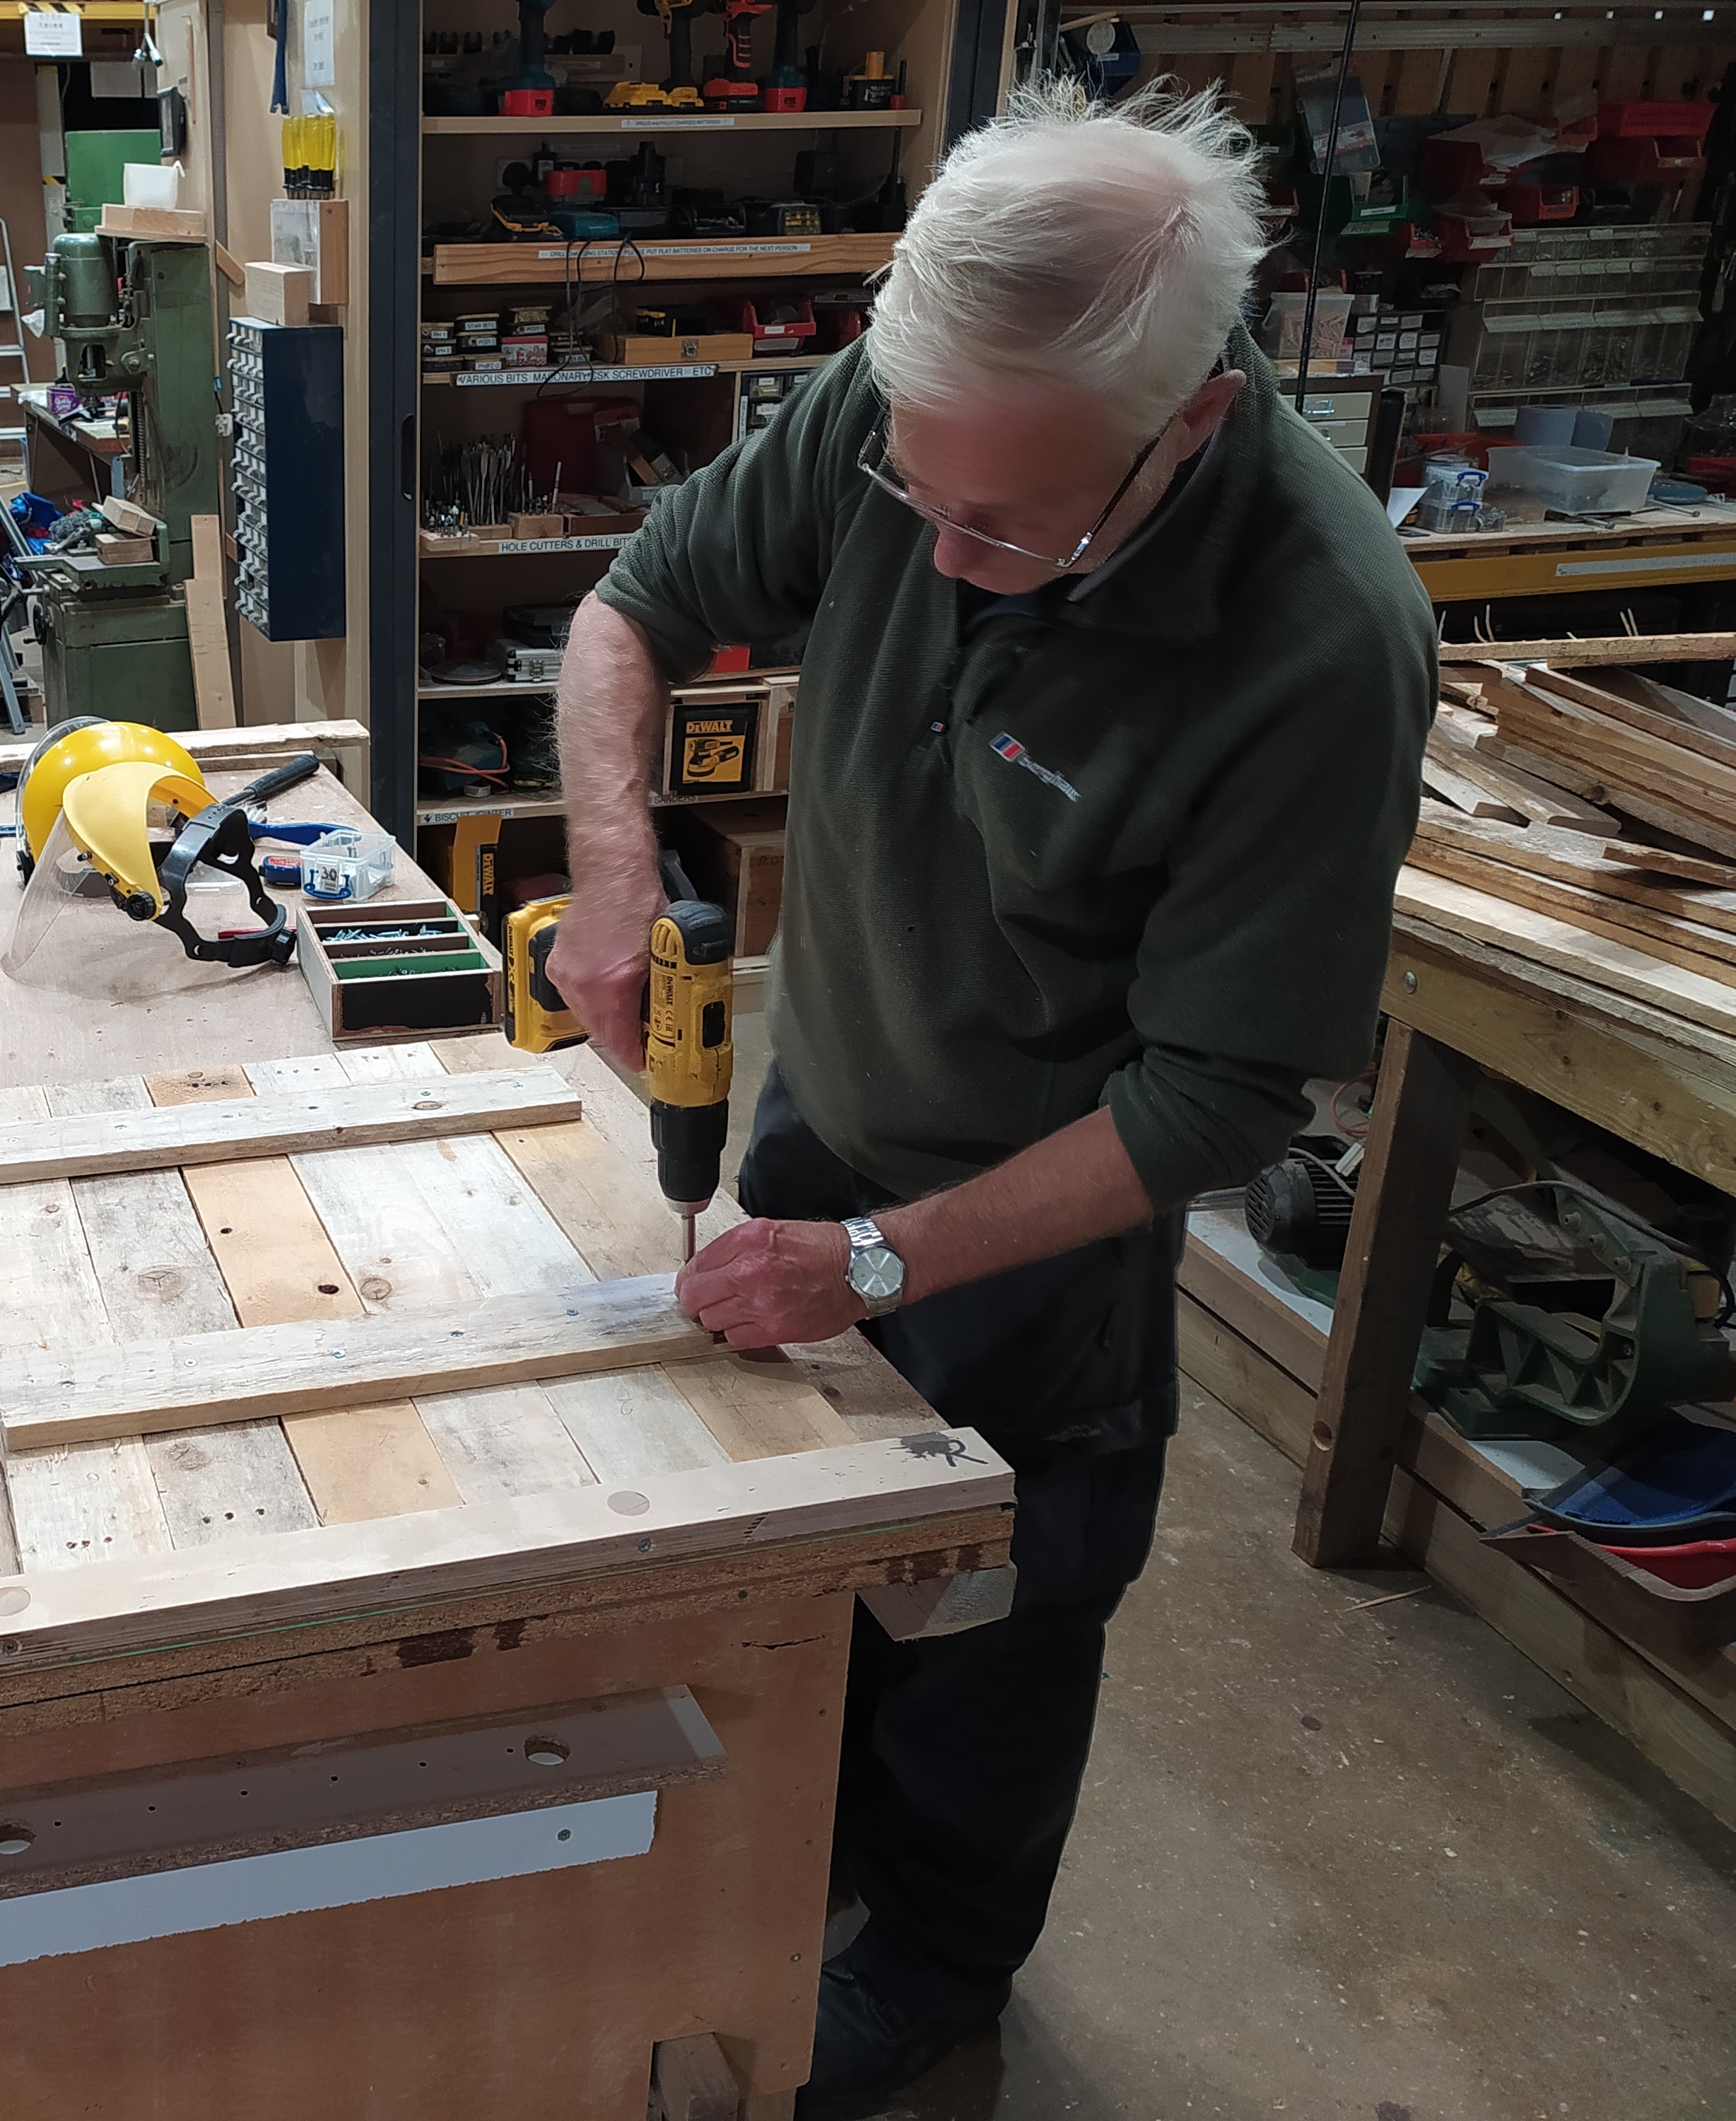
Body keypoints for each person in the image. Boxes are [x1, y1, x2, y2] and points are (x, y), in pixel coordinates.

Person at [548, 83, 1433, 2117]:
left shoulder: (1322, 639)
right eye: (913, 496)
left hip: (1041, 1214)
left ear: (1186, 424)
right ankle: (807, 1853)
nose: (936, 554)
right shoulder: (924, 409)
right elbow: (634, 606)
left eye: (1006, 526)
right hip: (821, 1111)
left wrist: (885, 1258)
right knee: (798, 1562)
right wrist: (613, 865)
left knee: (999, 1621)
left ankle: (936, 1966)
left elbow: (1222, 1098)